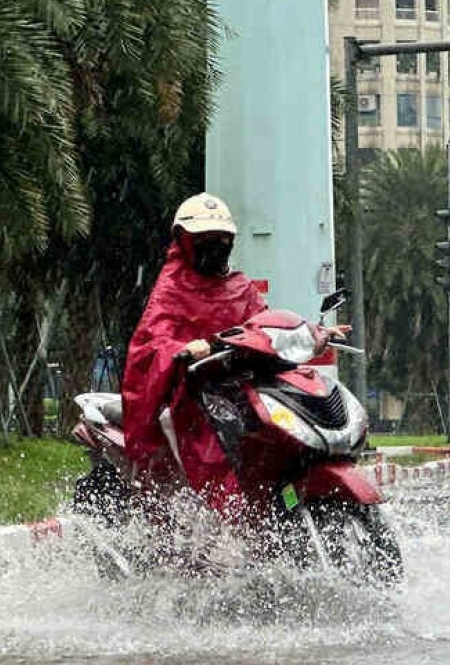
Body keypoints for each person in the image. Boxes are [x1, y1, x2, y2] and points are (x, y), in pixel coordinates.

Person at [120, 193, 344, 511]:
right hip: (195, 394)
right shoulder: (171, 290)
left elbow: (265, 322)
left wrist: (312, 332)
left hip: (243, 385)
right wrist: (182, 349)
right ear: (184, 241)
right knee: (214, 454)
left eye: (222, 239)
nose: (216, 246)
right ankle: (223, 527)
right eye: (206, 239)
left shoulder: (237, 285)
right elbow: (152, 344)